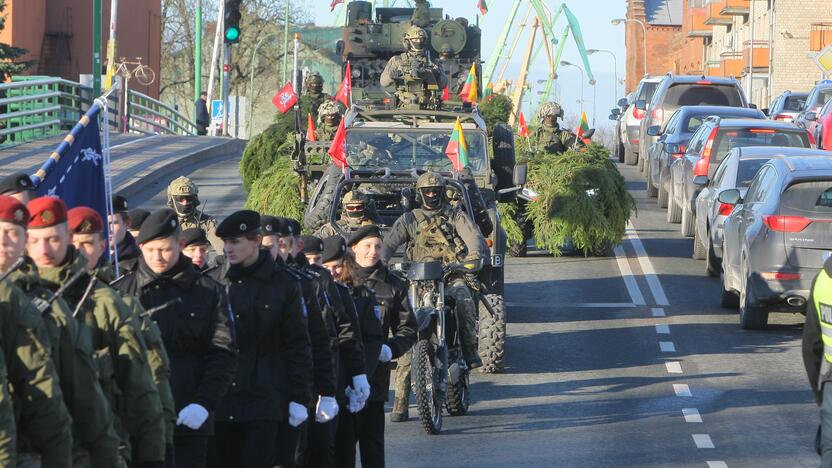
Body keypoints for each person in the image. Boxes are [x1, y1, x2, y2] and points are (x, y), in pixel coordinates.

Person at [27, 196, 166, 468]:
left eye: (53, 239)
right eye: (35, 241)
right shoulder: (15, 299)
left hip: (92, 447)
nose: (44, 250)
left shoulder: (108, 302)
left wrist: (154, 454)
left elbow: (140, 383)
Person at [113, 209, 237, 468]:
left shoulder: (208, 291)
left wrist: (204, 403)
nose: (158, 257)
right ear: (141, 247)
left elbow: (223, 351)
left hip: (189, 413)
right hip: (138, 418)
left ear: (180, 245)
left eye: (166, 249)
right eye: (150, 250)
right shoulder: (122, 292)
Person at [67, 206, 178, 467]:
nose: (81, 252)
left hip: (109, 440)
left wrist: (159, 448)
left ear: (103, 246)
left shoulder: (119, 303)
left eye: (88, 244)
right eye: (74, 244)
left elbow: (153, 376)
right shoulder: (36, 300)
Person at [207, 211, 313, 468]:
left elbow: (298, 344)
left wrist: (299, 397)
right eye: (226, 243)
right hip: (221, 400)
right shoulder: (212, 282)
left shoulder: (284, 284)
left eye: (236, 242)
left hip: (265, 399)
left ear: (256, 240)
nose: (228, 249)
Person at [0, 196, 78, 468]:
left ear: (23, 243)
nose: (3, 242)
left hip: (25, 446)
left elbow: (47, 384)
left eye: (12, 234)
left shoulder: (34, 303)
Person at [381, 171, 485, 370]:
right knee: (393, 305)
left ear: (442, 191)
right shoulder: (409, 219)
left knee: (463, 297)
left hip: (450, 274)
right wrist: (380, 263)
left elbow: (474, 238)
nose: (431, 195)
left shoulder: (455, 215)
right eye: (427, 191)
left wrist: (473, 256)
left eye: (435, 191)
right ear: (420, 193)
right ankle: (391, 349)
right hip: (416, 279)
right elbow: (388, 243)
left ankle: (470, 350)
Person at [264, 216, 337, 468]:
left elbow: (320, 338)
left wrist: (325, 391)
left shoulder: (304, 282)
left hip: (298, 383)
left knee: (304, 452)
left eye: (281, 245)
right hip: (255, 391)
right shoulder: (231, 282)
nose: (275, 252)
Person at [322, 235, 383, 468]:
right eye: (326, 267)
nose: (333, 273)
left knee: (350, 448)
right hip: (326, 385)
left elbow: (369, 341)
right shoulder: (309, 293)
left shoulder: (360, 295)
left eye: (337, 266)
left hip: (353, 386)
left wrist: (360, 379)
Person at [349, 226, 417, 436]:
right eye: (367, 246)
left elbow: (408, 327)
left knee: (373, 446)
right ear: (354, 248)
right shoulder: (340, 281)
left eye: (378, 246)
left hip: (375, 375)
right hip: (342, 374)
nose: (373, 252)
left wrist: (391, 348)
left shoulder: (393, 285)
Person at [380, 25, 447, 109]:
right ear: (408, 42)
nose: (418, 42)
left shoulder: (432, 61)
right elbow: (383, 82)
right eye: (415, 40)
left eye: (421, 39)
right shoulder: (396, 60)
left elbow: (444, 84)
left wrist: (436, 75)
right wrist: (393, 75)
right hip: (402, 105)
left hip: (428, 105)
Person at [166, 176, 223, 254]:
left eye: (188, 198)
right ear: (171, 199)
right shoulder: (165, 223)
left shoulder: (208, 223)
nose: (185, 202)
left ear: (194, 199)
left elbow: (224, 252)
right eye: (180, 198)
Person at [314, 191, 379, 239]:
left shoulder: (374, 226)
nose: (355, 210)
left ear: (365, 207)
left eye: (359, 207)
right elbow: (314, 242)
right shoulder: (333, 227)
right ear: (345, 208)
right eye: (351, 208)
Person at [110, 194, 142, 274]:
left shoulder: (138, 264)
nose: (108, 230)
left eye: (113, 223)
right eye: (101, 223)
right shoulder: (89, 259)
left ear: (127, 223)